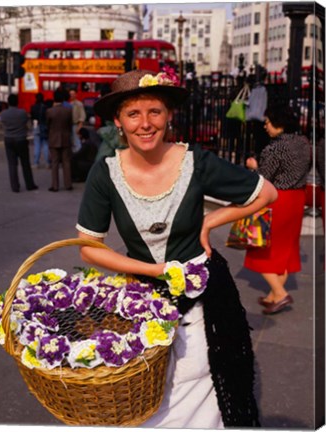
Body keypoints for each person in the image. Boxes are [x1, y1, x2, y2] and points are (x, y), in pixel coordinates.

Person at [75, 69, 277, 428]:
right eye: (133, 114)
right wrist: (154, 272)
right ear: (119, 122)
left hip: (205, 299)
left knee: (205, 376)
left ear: (169, 116)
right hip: (140, 298)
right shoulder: (104, 173)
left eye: (154, 111)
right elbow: (89, 248)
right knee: (144, 389)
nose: (145, 123)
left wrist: (210, 221)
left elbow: (267, 193)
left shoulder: (195, 161)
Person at [245, 105, 311, 314]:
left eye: (268, 122)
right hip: (297, 198)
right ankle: (274, 295)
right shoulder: (303, 143)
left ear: (278, 124)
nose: (265, 126)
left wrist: (254, 166)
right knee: (284, 249)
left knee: (260, 249)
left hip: (277, 200)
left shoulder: (274, 148)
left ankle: (280, 294)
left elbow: (264, 178)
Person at [0, 94, 38, 193]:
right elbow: (26, 123)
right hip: (21, 139)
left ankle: (15, 186)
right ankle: (29, 184)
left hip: (8, 139)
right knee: (25, 163)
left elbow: (2, 124)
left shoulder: (3, 114)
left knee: (12, 164)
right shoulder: (22, 113)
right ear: (17, 102)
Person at [46, 90, 73, 192]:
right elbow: (70, 125)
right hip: (66, 137)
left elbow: (48, 125)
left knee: (55, 163)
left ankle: (55, 185)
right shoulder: (68, 111)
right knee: (66, 162)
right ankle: (68, 184)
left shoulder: (49, 111)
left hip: (53, 138)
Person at [30, 92, 50, 169]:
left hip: (36, 126)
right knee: (45, 145)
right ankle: (47, 162)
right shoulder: (46, 107)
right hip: (44, 127)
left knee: (37, 145)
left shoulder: (33, 107)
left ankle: (36, 162)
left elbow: (32, 117)